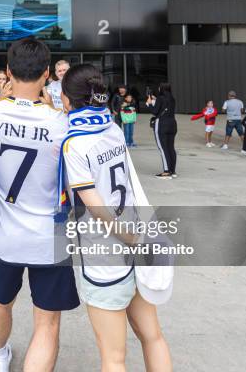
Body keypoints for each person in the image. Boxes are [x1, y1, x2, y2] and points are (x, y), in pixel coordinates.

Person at [0, 38, 79, 372]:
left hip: (2, 234)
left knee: (0, 299)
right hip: (49, 236)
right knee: (47, 322)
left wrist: (1, 98)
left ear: (8, 72)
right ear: (47, 73)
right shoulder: (61, 123)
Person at [60, 63, 172, 372]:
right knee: (153, 337)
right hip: (137, 245)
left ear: (67, 99)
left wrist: (132, 241)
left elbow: (97, 209)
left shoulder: (74, 142)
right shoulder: (110, 127)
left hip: (106, 257)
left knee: (113, 358)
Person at [147, 83, 178, 179]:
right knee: (170, 148)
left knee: (163, 148)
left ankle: (166, 172)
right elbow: (164, 106)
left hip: (161, 124)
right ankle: (172, 171)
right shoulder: (172, 98)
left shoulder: (160, 98)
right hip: (172, 124)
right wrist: (155, 100)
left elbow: (155, 111)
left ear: (162, 89)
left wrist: (149, 103)